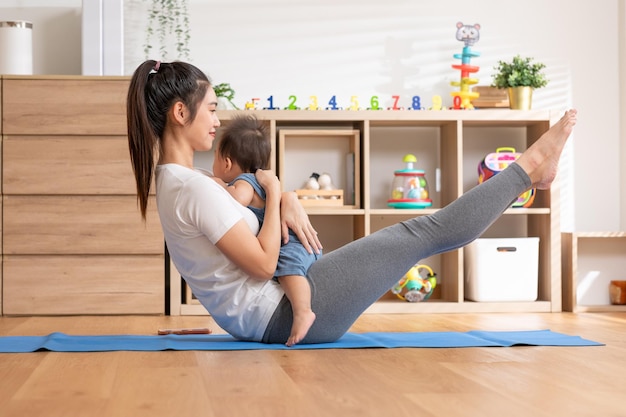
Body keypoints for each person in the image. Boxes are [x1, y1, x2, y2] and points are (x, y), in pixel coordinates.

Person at [127, 59, 577, 345]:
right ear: (180, 113)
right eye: (209, 108)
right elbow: (264, 265)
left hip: (274, 307)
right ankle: (531, 167)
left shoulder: (184, 183)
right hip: (281, 314)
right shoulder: (192, 189)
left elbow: (252, 225)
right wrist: (280, 191)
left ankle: (530, 171)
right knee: (421, 231)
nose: (217, 119)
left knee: (417, 232)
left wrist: (283, 203)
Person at [211, 114, 320, 346]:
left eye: (214, 157)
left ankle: (303, 311)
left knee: (288, 271)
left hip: (291, 242)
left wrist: (219, 185)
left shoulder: (243, 182)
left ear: (227, 163)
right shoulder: (260, 182)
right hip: (294, 241)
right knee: (288, 272)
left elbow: (237, 199)